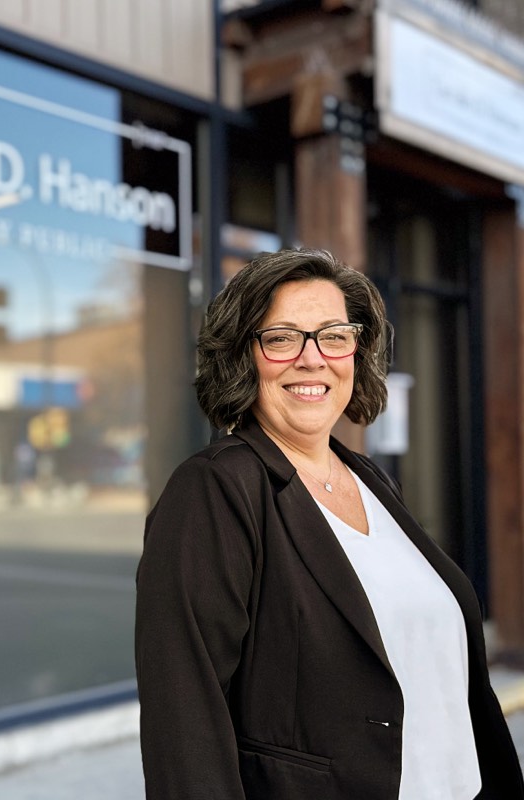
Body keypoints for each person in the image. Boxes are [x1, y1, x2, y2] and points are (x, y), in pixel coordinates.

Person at [134, 248, 524, 800]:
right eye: (282, 338)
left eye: (334, 336)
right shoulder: (214, 489)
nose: (312, 359)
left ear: (356, 351)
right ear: (242, 355)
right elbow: (184, 719)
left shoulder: (371, 479)